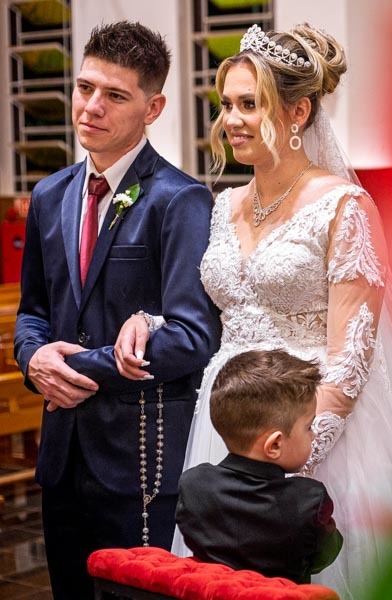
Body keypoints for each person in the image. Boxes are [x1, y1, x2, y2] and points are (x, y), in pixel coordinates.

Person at [114, 22, 392, 598]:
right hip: (226, 424)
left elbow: (350, 357)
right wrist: (148, 321)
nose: (230, 119)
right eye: (226, 104)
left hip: (316, 432)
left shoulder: (344, 207)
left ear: (297, 114)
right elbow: (211, 309)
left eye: (250, 104)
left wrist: (281, 465)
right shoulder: (223, 206)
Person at [14, 21, 221, 600]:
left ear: (153, 107)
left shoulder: (180, 200)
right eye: (85, 89)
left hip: (140, 460)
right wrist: (34, 359)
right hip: (60, 454)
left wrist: (79, 367)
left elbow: (191, 335)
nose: (91, 107)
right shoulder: (50, 194)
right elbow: (33, 311)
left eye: (115, 95)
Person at [176, 349, 343, 584]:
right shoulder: (308, 500)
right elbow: (324, 555)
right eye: (308, 427)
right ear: (274, 444)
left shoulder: (193, 484)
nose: (314, 435)